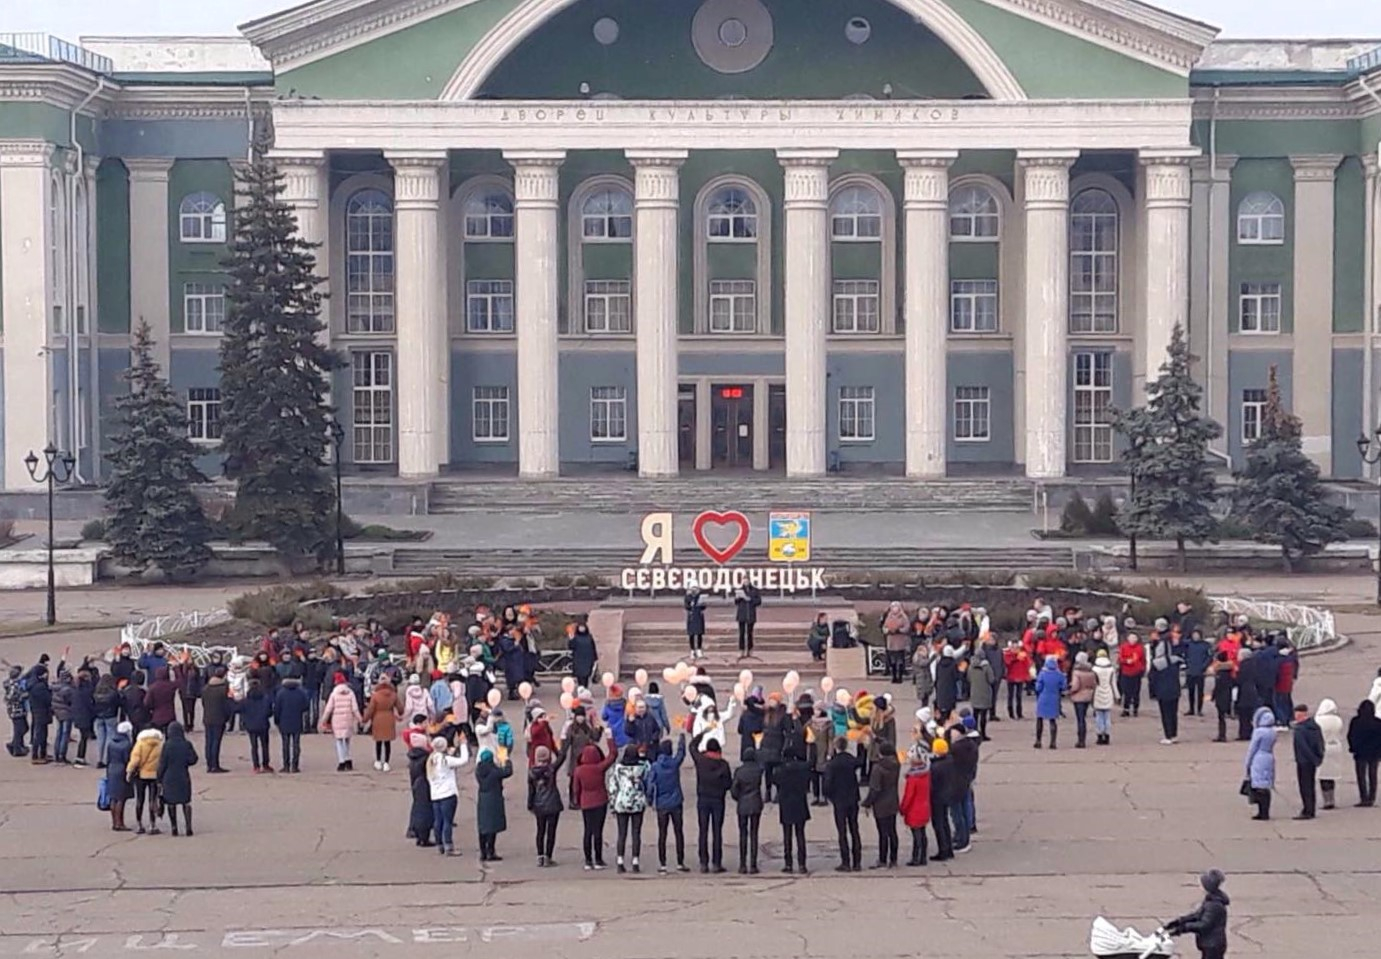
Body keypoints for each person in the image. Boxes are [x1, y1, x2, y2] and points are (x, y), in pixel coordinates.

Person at [572, 729, 617, 870]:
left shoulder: (579, 770)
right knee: (598, 831)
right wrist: (609, 739)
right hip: (600, 801)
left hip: (586, 802)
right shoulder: (599, 768)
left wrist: (577, 801)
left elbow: (575, 788)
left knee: (587, 831)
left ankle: (588, 861)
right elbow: (613, 755)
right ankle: (598, 859)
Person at [690, 729, 733, 873]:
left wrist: (701, 733)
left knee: (703, 830)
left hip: (703, 799)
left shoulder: (701, 761)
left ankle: (703, 862)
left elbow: (692, 747)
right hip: (718, 800)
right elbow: (728, 784)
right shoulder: (723, 765)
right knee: (717, 831)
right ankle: (716, 862)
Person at [1164, 869, 1230, 959]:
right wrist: (1180, 921)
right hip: (1210, 944)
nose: (1200, 886)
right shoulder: (1211, 901)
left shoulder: (1214, 905)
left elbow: (1204, 925)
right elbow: (1197, 915)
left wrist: (1184, 928)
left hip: (1213, 946)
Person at [648, 734, 689, 873]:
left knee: (662, 833)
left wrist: (650, 800)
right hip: (676, 801)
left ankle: (663, 864)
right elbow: (681, 754)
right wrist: (682, 741)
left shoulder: (655, 766)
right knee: (678, 832)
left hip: (661, 803)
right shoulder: (674, 764)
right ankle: (680, 862)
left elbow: (650, 784)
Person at [610, 744, 651, 873]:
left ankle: (620, 861)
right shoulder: (642, 767)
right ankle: (635, 861)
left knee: (621, 833)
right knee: (636, 833)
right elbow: (648, 779)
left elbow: (613, 787)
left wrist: (612, 804)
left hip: (622, 802)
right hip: (637, 802)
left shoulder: (618, 769)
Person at [427, 737, 472, 856]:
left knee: (438, 820)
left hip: (435, 794)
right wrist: (463, 745)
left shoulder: (431, 759)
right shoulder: (446, 760)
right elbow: (464, 760)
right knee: (448, 821)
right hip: (448, 793)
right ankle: (449, 846)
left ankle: (440, 844)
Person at [823, 737, 862, 872]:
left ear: (836, 747)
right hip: (852, 799)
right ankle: (857, 862)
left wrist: (829, 796)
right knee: (854, 830)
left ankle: (846, 862)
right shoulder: (851, 760)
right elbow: (861, 761)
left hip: (839, 800)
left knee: (842, 831)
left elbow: (827, 784)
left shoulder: (832, 764)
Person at [527, 742, 568, 866]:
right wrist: (555, 746)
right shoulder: (551, 769)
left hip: (539, 804)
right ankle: (548, 856)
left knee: (540, 830)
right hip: (552, 803)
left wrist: (530, 804)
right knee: (551, 831)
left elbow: (531, 791)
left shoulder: (532, 773)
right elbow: (562, 756)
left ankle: (540, 856)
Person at [862, 738, 900, 868]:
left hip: (881, 804)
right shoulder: (896, 764)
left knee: (882, 833)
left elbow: (875, 789)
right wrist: (879, 739)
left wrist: (867, 803)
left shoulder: (878, 768)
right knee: (892, 831)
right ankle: (893, 859)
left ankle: (883, 859)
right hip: (893, 801)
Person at [156, 722, 198, 837]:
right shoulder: (186, 744)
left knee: (171, 803)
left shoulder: (167, 745)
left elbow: (162, 764)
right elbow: (194, 759)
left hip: (169, 778)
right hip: (183, 776)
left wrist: (159, 778)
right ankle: (188, 826)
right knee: (186, 802)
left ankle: (174, 827)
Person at [775, 743, 811, 874]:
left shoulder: (780, 770)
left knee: (787, 835)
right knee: (800, 834)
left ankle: (788, 863)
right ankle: (802, 864)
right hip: (800, 803)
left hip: (786, 804)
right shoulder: (803, 768)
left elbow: (776, 781)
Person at [474, 746, 513, 860]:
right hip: (494, 798)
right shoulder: (494, 772)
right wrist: (505, 759)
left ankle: (483, 852)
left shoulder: (479, 770)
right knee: (492, 827)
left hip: (482, 798)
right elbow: (507, 771)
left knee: (483, 827)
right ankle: (490, 850)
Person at [730, 744, 764, 874]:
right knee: (754, 834)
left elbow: (734, 789)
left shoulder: (739, 771)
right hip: (755, 803)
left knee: (743, 834)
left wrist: (738, 798)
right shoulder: (758, 770)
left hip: (743, 804)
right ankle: (753, 864)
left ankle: (742, 864)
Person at [126, 725, 165, 834]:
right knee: (152, 800)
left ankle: (140, 824)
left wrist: (129, 772)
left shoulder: (140, 743)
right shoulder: (160, 745)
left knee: (140, 800)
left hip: (141, 775)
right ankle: (153, 825)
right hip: (155, 775)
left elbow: (135, 759)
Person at [321, 672, 363, 771]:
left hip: (337, 719)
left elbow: (328, 709)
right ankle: (348, 759)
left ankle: (341, 761)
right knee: (347, 740)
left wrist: (324, 720)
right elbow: (355, 708)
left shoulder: (334, 693)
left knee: (339, 741)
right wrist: (360, 719)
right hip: (348, 719)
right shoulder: (350, 693)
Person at [1147, 631, 1183, 745]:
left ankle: (1168, 735)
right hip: (1175, 689)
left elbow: (1151, 679)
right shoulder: (1176, 661)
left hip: (1162, 690)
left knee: (1165, 713)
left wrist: (1152, 693)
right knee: (1174, 713)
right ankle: (1174, 734)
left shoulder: (1157, 663)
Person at [1291, 703, 1326, 819]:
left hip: (1303, 761)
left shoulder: (1300, 730)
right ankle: (1310, 808)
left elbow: (1303, 747)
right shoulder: (1315, 727)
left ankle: (1307, 810)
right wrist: (1318, 758)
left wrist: (1312, 758)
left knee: (1304, 786)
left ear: (1302, 714)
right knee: (1310, 785)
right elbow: (1320, 743)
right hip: (1312, 761)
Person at [363, 675, 404, 772]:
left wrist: (364, 719)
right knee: (387, 742)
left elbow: (370, 710)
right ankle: (386, 762)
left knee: (378, 741)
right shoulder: (393, 694)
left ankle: (378, 761)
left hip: (378, 718)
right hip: (389, 717)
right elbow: (400, 709)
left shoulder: (376, 695)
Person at [898, 747, 931, 866]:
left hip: (914, 810)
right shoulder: (926, 774)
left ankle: (916, 857)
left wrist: (902, 808)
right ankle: (923, 857)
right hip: (924, 807)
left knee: (916, 835)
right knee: (922, 834)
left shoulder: (913, 778)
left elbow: (909, 796)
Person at [1244, 707, 1276, 820]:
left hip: (1259, 758)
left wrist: (1247, 764)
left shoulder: (1258, 732)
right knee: (1266, 784)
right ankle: (1265, 811)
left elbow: (1252, 749)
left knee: (1258, 785)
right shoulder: (1272, 731)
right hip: (1269, 757)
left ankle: (1261, 812)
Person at [1347, 699, 1381, 807]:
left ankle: (1363, 797)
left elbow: (1350, 736)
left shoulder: (1356, 721)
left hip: (1360, 752)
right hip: (1374, 753)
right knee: (1373, 774)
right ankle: (1372, 797)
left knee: (1361, 775)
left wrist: (1352, 748)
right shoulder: (1378, 722)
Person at [273, 676, 309, 773]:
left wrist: (277, 721)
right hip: (297, 720)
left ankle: (286, 765)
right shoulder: (301, 692)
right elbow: (306, 706)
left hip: (284, 722)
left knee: (285, 744)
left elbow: (277, 709)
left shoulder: (281, 693)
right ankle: (295, 766)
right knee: (296, 744)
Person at [927, 737, 956, 861]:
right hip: (947, 795)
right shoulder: (950, 761)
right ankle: (948, 848)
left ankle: (943, 850)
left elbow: (932, 785)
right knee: (945, 822)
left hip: (937, 797)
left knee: (938, 824)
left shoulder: (936, 767)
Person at [1315, 698, 1345, 811]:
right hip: (1335, 747)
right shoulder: (1337, 720)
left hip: (1324, 747)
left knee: (1323, 776)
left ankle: (1326, 800)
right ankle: (1332, 798)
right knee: (1332, 775)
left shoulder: (1318, 720)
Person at [105, 721, 134, 831]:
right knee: (121, 798)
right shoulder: (127, 744)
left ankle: (114, 822)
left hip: (112, 769)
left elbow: (108, 758)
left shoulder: (111, 742)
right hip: (121, 770)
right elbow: (127, 760)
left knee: (113, 797)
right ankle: (120, 823)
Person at [240, 678, 274, 773]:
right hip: (263, 724)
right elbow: (269, 712)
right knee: (265, 745)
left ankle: (256, 766)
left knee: (254, 746)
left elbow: (241, 711)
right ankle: (265, 764)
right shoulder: (265, 698)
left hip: (251, 725)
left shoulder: (245, 700)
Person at [407, 734, 435, 847]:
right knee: (426, 811)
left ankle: (417, 834)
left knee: (417, 809)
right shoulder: (425, 758)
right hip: (425, 785)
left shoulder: (413, 758)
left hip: (416, 785)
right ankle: (424, 838)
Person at [1034, 655, 1065, 750]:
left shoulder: (1043, 674)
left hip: (1043, 698)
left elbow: (1038, 687)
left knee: (1040, 719)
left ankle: (1038, 741)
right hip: (1054, 698)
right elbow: (1063, 687)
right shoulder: (1059, 674)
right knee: (1052, 720)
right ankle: (1053, 742)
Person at [92, 673, 121, 768]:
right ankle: (109, 759)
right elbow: (118, 703)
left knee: (100, 739)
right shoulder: (113, 692)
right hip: (110, 716)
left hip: (99, 717)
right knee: (110, 737)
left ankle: (99, 759)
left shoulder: (96, 692)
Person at [1068, 652, 1096, 749]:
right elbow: (1094, 684)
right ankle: (1083, 738)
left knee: (1080, 719)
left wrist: (1070, 691)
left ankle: (1081, 740)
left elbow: (1075, 686)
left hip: (1078, 697)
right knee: (1083, 717)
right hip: (1088, 696)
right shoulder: (1091, 671)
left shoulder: (1076, 672)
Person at [1182, 629, 1213, 717]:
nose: (1195, 636)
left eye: (1197, 635)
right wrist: (1186, 663)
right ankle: (1191, 709)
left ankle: (1199, 709)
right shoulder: (1188, 645)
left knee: (1200, 692)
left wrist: (1204, 666)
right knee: (1190, 691)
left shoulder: (1205, 645)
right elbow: (1184, 653)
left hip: (1200, 672)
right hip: (1190, 671)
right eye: (1194, 635)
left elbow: (1210, 657)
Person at [968, 648, 996, 741]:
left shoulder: (971, 666)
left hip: (974, 692)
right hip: (984, 693)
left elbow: (968, 678)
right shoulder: (986, 666)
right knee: (983, 715)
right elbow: (991, 679)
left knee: (975, 714)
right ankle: (983, 734)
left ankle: (974, 733)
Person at [1090, 650, 1118, 745]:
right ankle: (1107, 735)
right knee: (1107, 716)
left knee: (1098, 716)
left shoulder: (1094, 669)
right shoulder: (1111, 669)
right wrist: (1117, 695)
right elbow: (1113, 683)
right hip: (1108, 691)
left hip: (1098, 692)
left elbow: (1093, 684)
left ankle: (1099, 735)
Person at [1209, 651, 1237, 744]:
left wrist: (1213, 696)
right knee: (1223, 716)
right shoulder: (1230, 673)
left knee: (1221, 717)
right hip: (1228, 696)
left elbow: (1217, 687)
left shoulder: (1220, 674)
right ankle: (1222, 734)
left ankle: (1222, 735)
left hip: (1221, 697)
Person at [1117, 632, 1146, 718]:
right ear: (1128, 638)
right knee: (1126, 692)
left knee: (1136, 692)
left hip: (1136, 673)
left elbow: (1143, 660)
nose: (1133, 640)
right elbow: (1120, 659)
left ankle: (1135, 709)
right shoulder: (1123, 647)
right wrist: (1126, 661)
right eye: (1131, 638)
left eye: (1135, 638)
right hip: (1126, 672)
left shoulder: (1140, 648)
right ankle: (1126, 709)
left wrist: (1142, 670)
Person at [27, 666, 52, 764]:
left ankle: (42, 753)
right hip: (41, 711)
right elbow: (47, 699)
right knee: (40, 734)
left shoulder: (33, 684)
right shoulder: (40, 686)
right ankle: (36, 755)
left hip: (37, 711)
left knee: (42, 733)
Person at [881, 602, 910, 684]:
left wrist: (899, 630)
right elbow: (884, 627)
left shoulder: (903, 617)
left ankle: (900, 677)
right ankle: (894, 676)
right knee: (892, 660)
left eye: (896, 607)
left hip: (900, 640)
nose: (895, 609)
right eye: (893, 607)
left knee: (900, 659)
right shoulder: (889, 616)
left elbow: (907, 627)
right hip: (891, 640)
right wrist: (887, 631)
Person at [734, 583, 761, 657]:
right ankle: (741, 650)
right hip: (742, 614)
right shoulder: (740, 590)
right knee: (741, 633)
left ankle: (750, 649)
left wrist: (750, 599)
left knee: (750, 633)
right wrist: (737, 598)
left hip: (750, 614)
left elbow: (759, 601)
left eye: (746, 579)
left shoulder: (754, 590)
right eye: (744, 580)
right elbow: (736, 602)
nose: (745, 581)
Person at [568, 623, 598, 689]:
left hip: (587, 659)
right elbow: (571, 647)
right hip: (579, 659)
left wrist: (595, 659)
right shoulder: (575, 638)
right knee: (580, 676)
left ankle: (584, 689)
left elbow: (593, 648)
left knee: (586, 677)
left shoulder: (589, 637)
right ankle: (581, 689)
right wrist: (571, 638)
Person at [685, 588, 707, 659]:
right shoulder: (688, 597)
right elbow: (686, 606)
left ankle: (699, 649)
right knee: (691, 634)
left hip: (698, 616)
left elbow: (704, 607)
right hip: (691, 616)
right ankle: (692, 650)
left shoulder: (700, 596)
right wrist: (690, 604)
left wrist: (702, 604)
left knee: (699, 633)